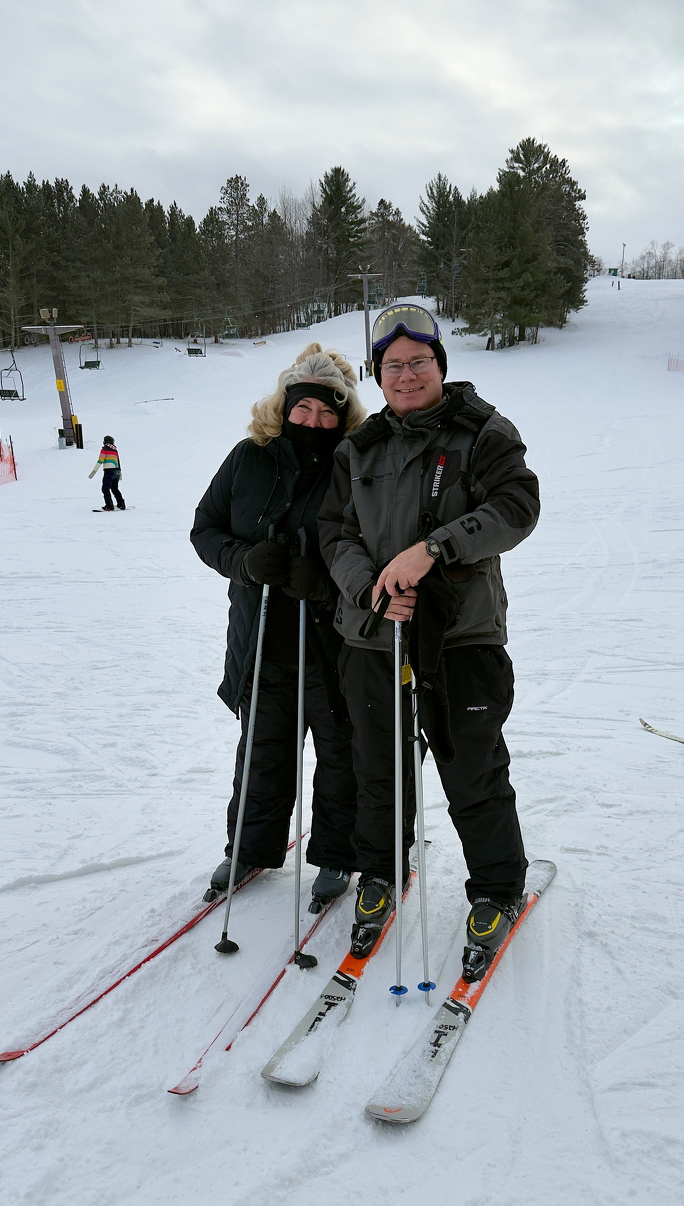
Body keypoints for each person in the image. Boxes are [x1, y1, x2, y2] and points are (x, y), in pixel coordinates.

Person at [318, 304, 540, 978]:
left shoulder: (483, 432)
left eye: (419, 361)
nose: (407, 374)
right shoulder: (357, 449)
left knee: (471, 767)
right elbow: (334, 531)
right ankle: (382, 872)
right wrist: (373, 585)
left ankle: (497, 887)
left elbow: (516, 506)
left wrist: (432, 550)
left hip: (461, 636)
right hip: (372, 635)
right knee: (376, 768)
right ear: (378, 376)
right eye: (394, 365)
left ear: (440, 365)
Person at [190, 344, 365, 905]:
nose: (313, 421)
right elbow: (206, 528)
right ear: (284, 405)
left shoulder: (353, 464)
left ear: (343, 416)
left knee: (341, 752)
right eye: (303, 409)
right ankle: (248, 849)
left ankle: (338, 854)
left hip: (333, 640)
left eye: (327, 412)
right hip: (263, 636)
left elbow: (372, 546)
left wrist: (324, 576)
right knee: (262, 750)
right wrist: (243, 561)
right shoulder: (249, 458)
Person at [89, 435, 125, 510]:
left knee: (105, 488)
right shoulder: (115, 450)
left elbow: (100, 461)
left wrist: (94, 471)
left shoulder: (104, 449)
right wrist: (120, 473)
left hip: (109, 471)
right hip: (116, 471)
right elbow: (118, 462)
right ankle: (121, 504)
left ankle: (109, 505)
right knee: (115, 489)